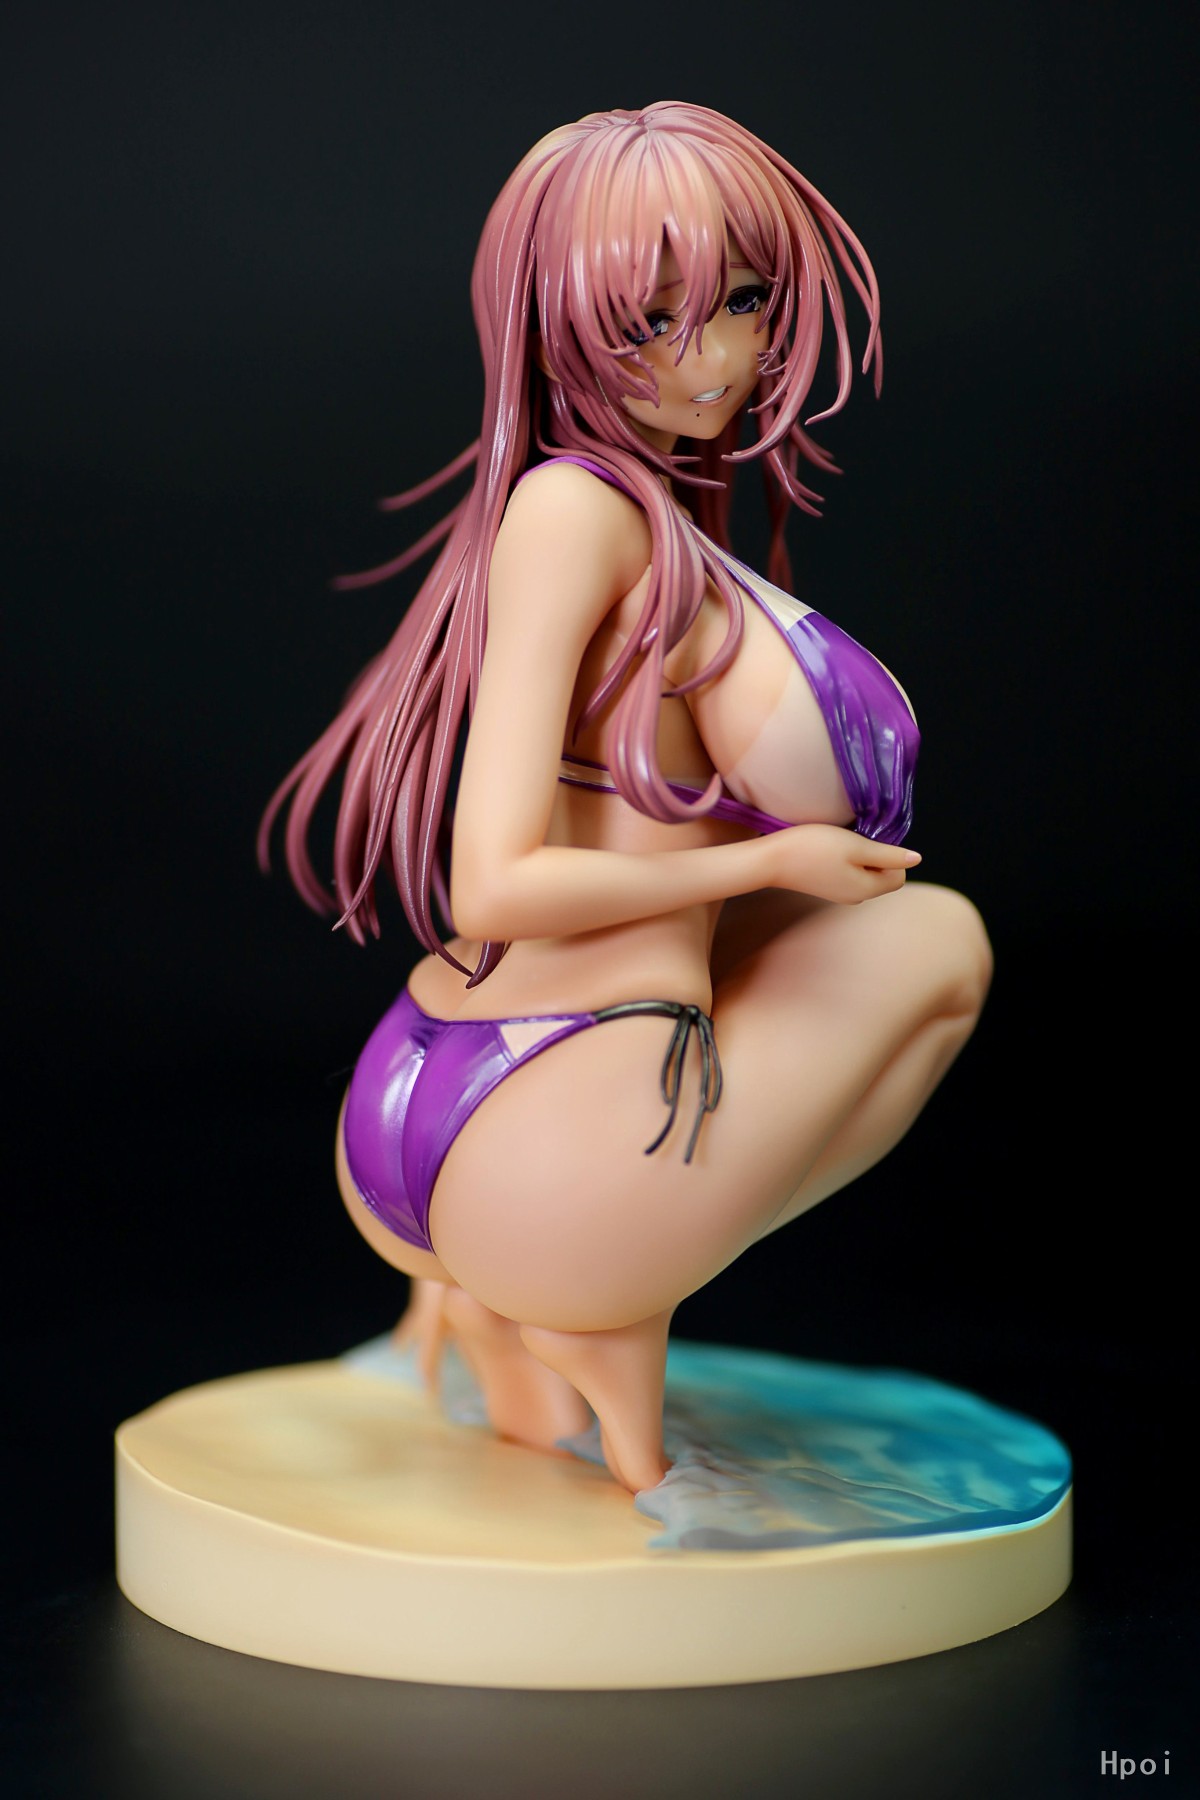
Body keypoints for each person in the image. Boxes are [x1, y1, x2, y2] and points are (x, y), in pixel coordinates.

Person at [259, 102, 993, 1495]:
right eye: (648, 321)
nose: (709, 358)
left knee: (882, 940)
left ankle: (494, 1290)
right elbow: (491, 880)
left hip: (429, 1083)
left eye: (743, 303)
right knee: (943, 948)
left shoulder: (625, 512)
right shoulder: (576, 512)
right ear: (555, 324)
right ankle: (587, 1297)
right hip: (562, 1107)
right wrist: (759, 866)